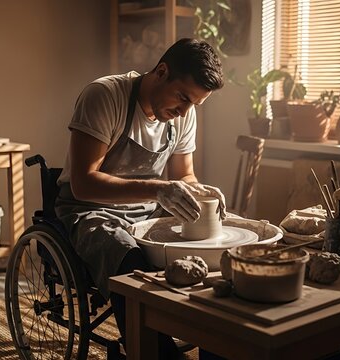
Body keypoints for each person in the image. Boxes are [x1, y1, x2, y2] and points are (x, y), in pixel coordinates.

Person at [55, 38, 226, 358]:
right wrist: (158, 189)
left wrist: (200, 191)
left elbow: (183, 175)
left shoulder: (184, 114)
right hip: (91, 210)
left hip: (148, 209)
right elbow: (84, 184)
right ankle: (153, 351)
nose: (184, 112)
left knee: (211, 246)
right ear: (161, 72)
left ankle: (216, 344)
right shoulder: (105, 96)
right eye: (182, 98)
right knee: (128, 255)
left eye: (194, 105)